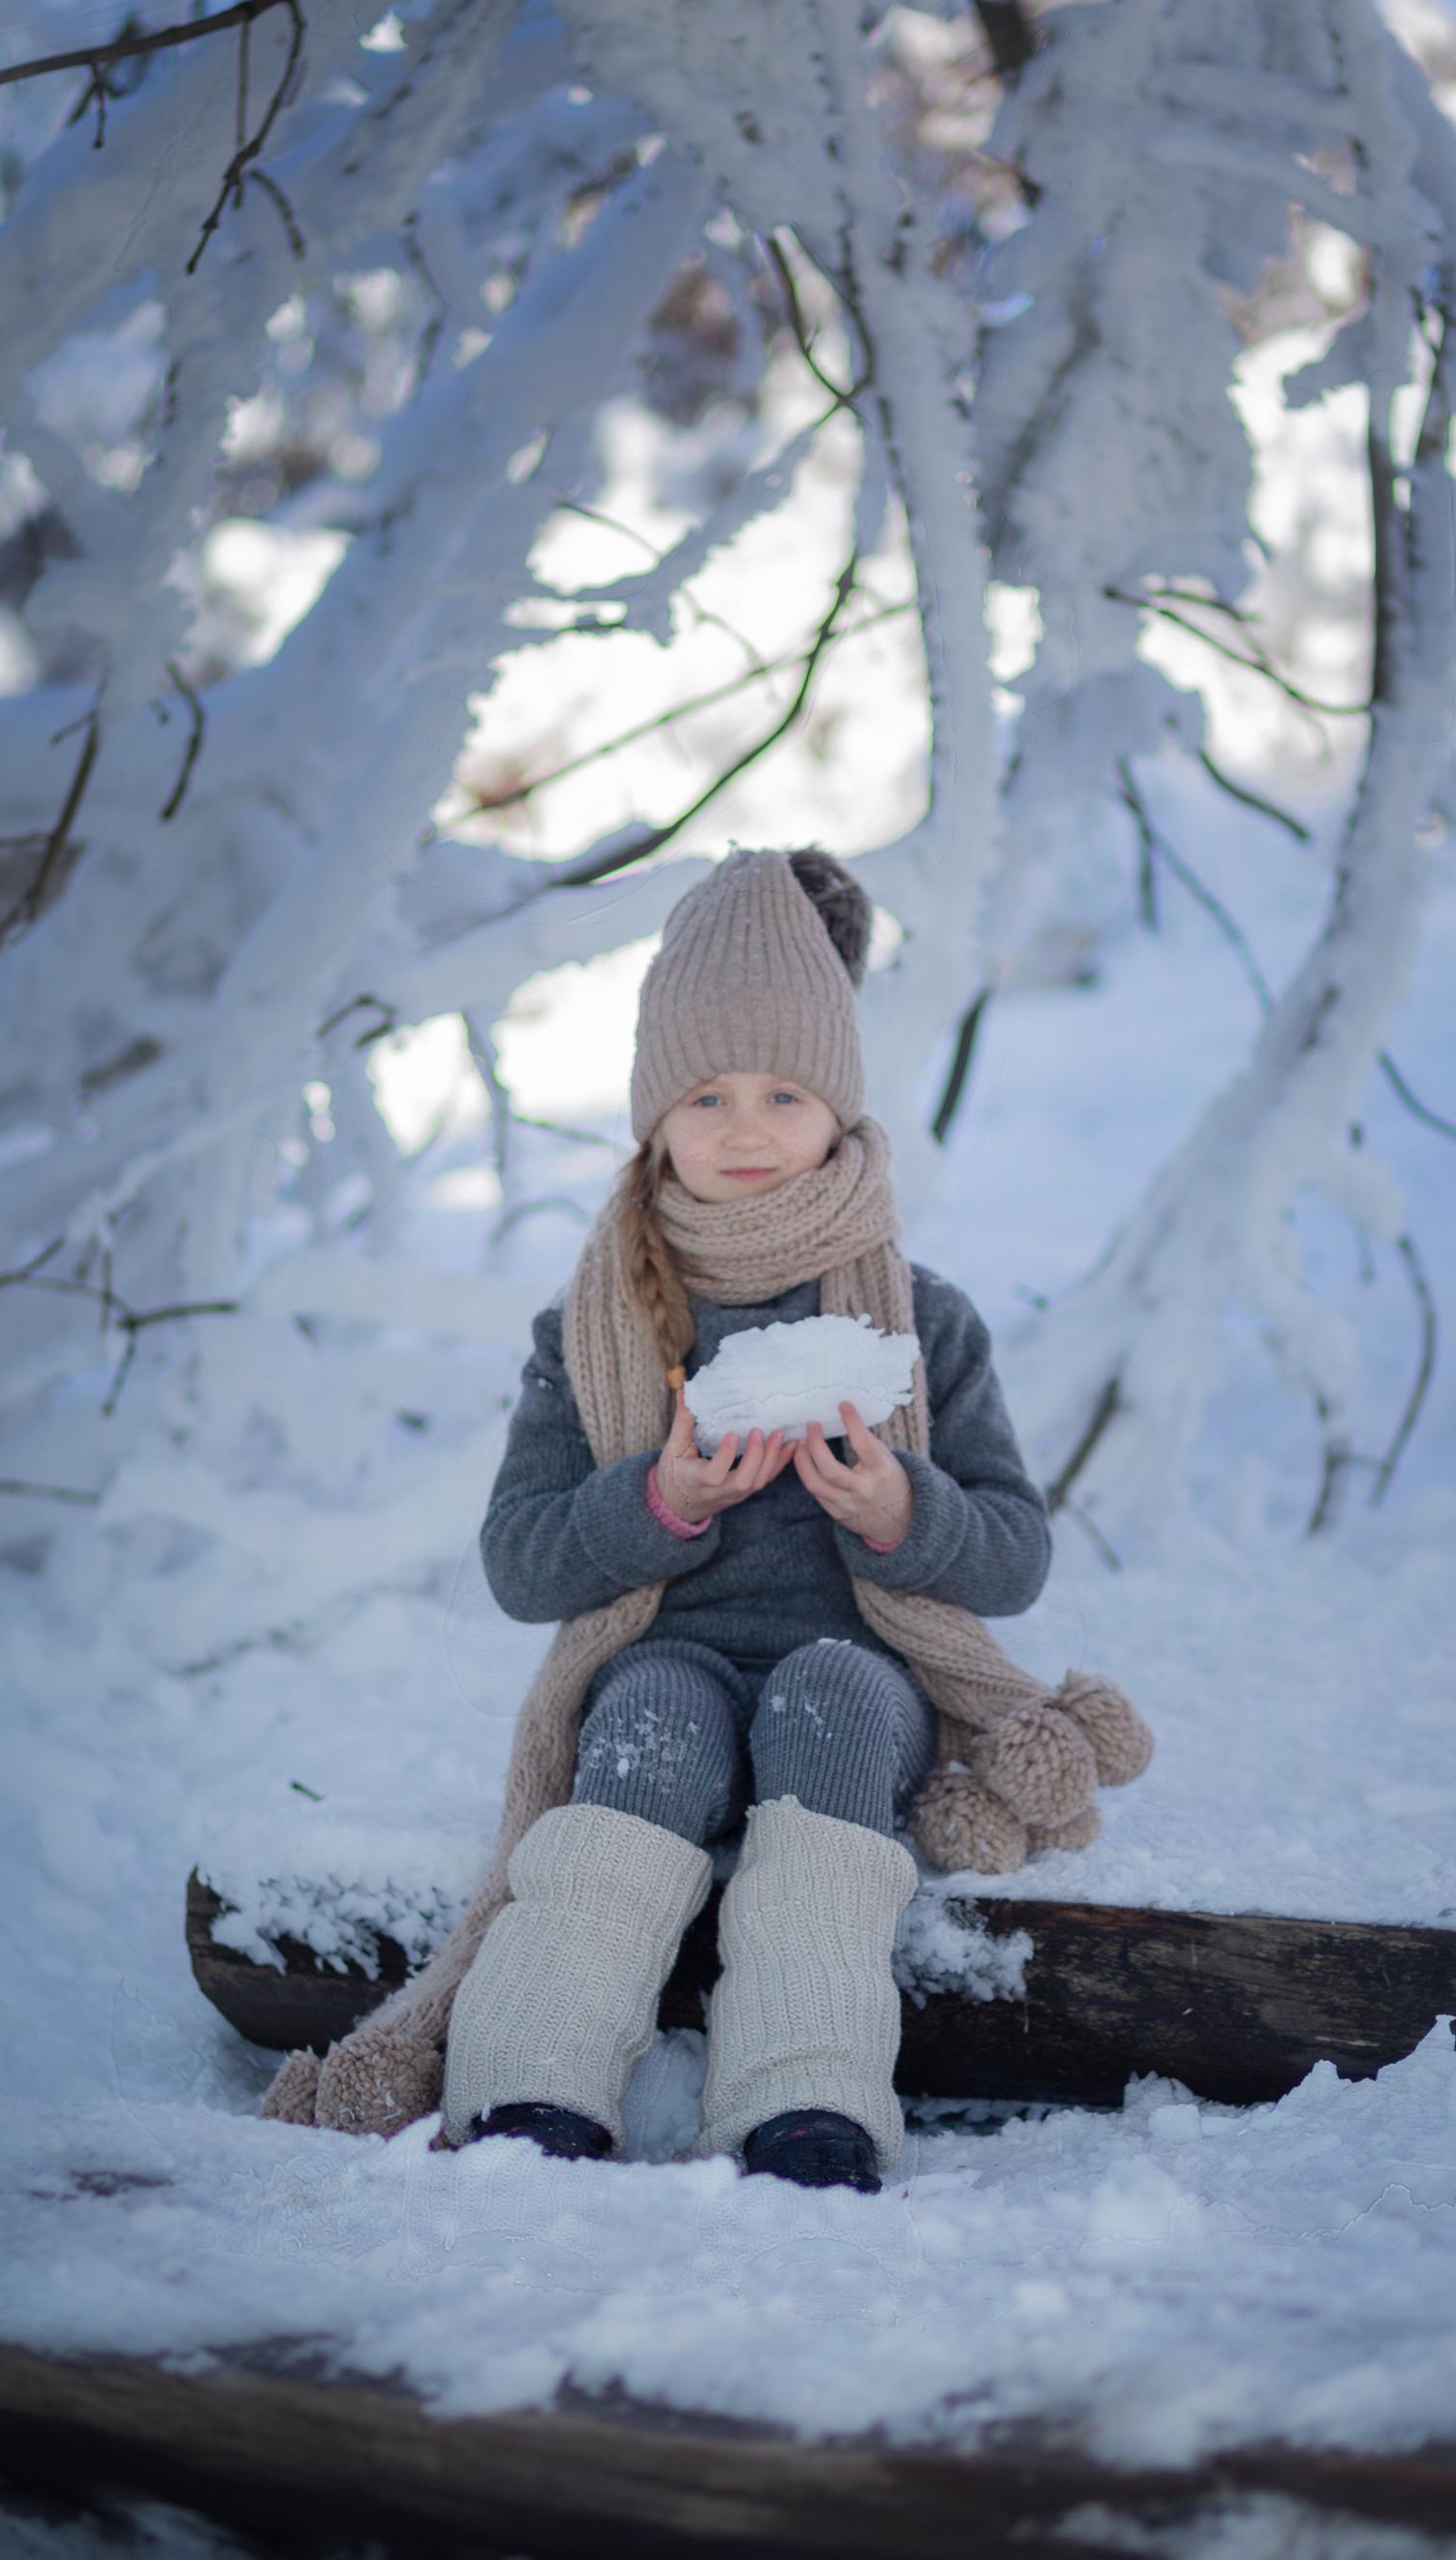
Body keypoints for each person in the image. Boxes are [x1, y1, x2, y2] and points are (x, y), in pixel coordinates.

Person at [259, 846, 1152, 2184]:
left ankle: (805, 2094)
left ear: (840, 1109)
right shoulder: (600, 1324)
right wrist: (658, 1499)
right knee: (651, 1716)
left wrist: (904, 1508)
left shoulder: (921, 1316)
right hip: (667, 1663)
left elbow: (1014, 1549)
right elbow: (520, 1559)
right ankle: (529, 2090)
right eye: (707, 1095)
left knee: (828, 1702)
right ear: (652, 1118)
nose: (745, 1130)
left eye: (786, 1094)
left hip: (859, 1669)